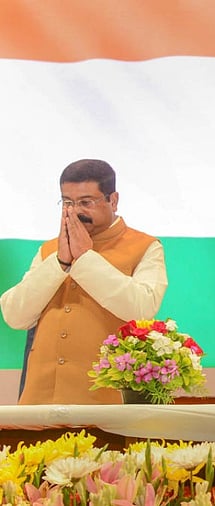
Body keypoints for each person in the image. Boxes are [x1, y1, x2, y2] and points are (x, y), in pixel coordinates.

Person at [1, 159, 168, 405]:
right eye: (67, 202)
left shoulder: (145, 246)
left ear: (113, 200)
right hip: (39, 403)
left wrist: (84, 259)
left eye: (86, 202)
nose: (75, 211)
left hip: (105, 404)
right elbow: (15, 315)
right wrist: (61, 263)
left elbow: (141, 308)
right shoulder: (50, 250)